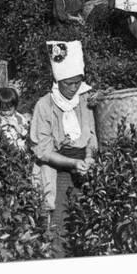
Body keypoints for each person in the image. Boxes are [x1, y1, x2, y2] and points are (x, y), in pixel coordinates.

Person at [30, 40, 98, 255]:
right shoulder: (45, 105)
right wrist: (73, 163)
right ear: (57, 81)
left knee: (89, 221)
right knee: (60, 224)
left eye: (77, 82)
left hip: (84, 165)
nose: (74, 88)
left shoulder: (85, 99)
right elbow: (44, 151)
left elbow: (93, 135)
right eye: (69, 83)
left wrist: (88, 156)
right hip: (59, 169)